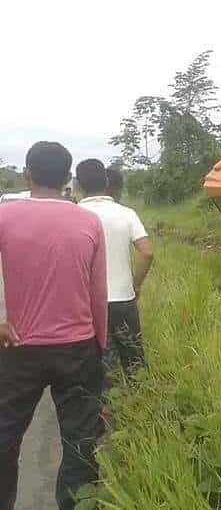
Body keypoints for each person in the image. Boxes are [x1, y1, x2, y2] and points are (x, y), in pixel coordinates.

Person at [0, 142, 108, 510]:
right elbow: (98, 292)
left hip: (18, 346)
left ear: (26, 174)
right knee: (80, 442)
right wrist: (100, 344)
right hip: (78, 346)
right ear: (68, 178)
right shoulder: (88, 221)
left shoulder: (5, 217)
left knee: (5, 437)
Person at [76, 160, 153, 398]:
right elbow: (146, 252)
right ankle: (141, 408)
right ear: (108, 183)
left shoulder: (75, 215)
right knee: (133, 358)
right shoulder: (127, 213)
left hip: (86, 304)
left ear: (78, 184)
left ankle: (105, 412)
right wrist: (136, 285)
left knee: (98, 361)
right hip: (123, 299)